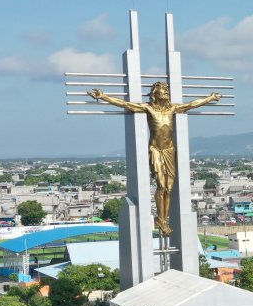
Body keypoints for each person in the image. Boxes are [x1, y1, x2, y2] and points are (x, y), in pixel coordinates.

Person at [88, 82, 222, 235]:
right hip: (156, 150)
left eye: (167, 90)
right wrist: (104, 96)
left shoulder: (172, 109)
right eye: (163, 90)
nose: (166, 92)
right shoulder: (149, 108)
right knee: (161, 185)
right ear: (155, 94)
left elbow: (192, 105)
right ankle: (161, 220)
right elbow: (125, 104)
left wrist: (210, 98)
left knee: (169, 188)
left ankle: (164, 218)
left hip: (169, 150)